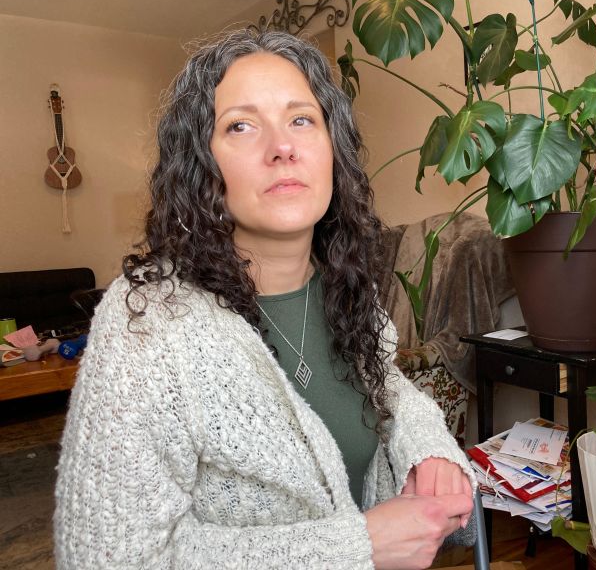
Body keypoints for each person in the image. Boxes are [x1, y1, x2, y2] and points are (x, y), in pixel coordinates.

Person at [53, 29, 475, 569]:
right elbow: (104, 558)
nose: (283, 146)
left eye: (302, 119)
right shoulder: (147, 324)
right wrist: (357, 547)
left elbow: (393, 394)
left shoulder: (350, 293)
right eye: (241, 126)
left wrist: (430, 448)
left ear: (332, 152)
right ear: (202, 168)